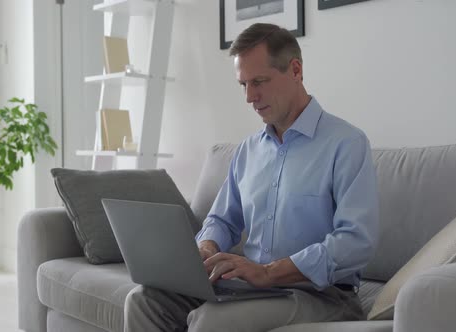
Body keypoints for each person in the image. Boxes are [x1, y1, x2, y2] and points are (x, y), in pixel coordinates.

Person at [124, 23, 379, 332]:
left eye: (259, 81)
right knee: (143, 300)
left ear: (295, 70)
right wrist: (206, 248)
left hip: (322, 295)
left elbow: (356, 242)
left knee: (211, 321)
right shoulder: (247, 151)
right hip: (252, 290)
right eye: (243, 84)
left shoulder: (346, 143)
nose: (249, 96)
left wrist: (269, 272)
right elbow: (222, 220)